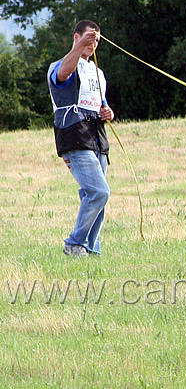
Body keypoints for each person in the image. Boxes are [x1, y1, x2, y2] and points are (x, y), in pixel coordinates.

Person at [47, 20, 114, 257]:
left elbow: (101, 104)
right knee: (98, 191)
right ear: (76, 37)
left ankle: (91, 248)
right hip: (74, 134)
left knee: (95, 195)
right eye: (88, 38)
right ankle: (74, 243)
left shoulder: (98, 73)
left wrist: (108, 112)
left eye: (96, 40)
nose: (92, 43)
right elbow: (63, 75)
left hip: (97, 136)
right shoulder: (59, 65)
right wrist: (79, 48)